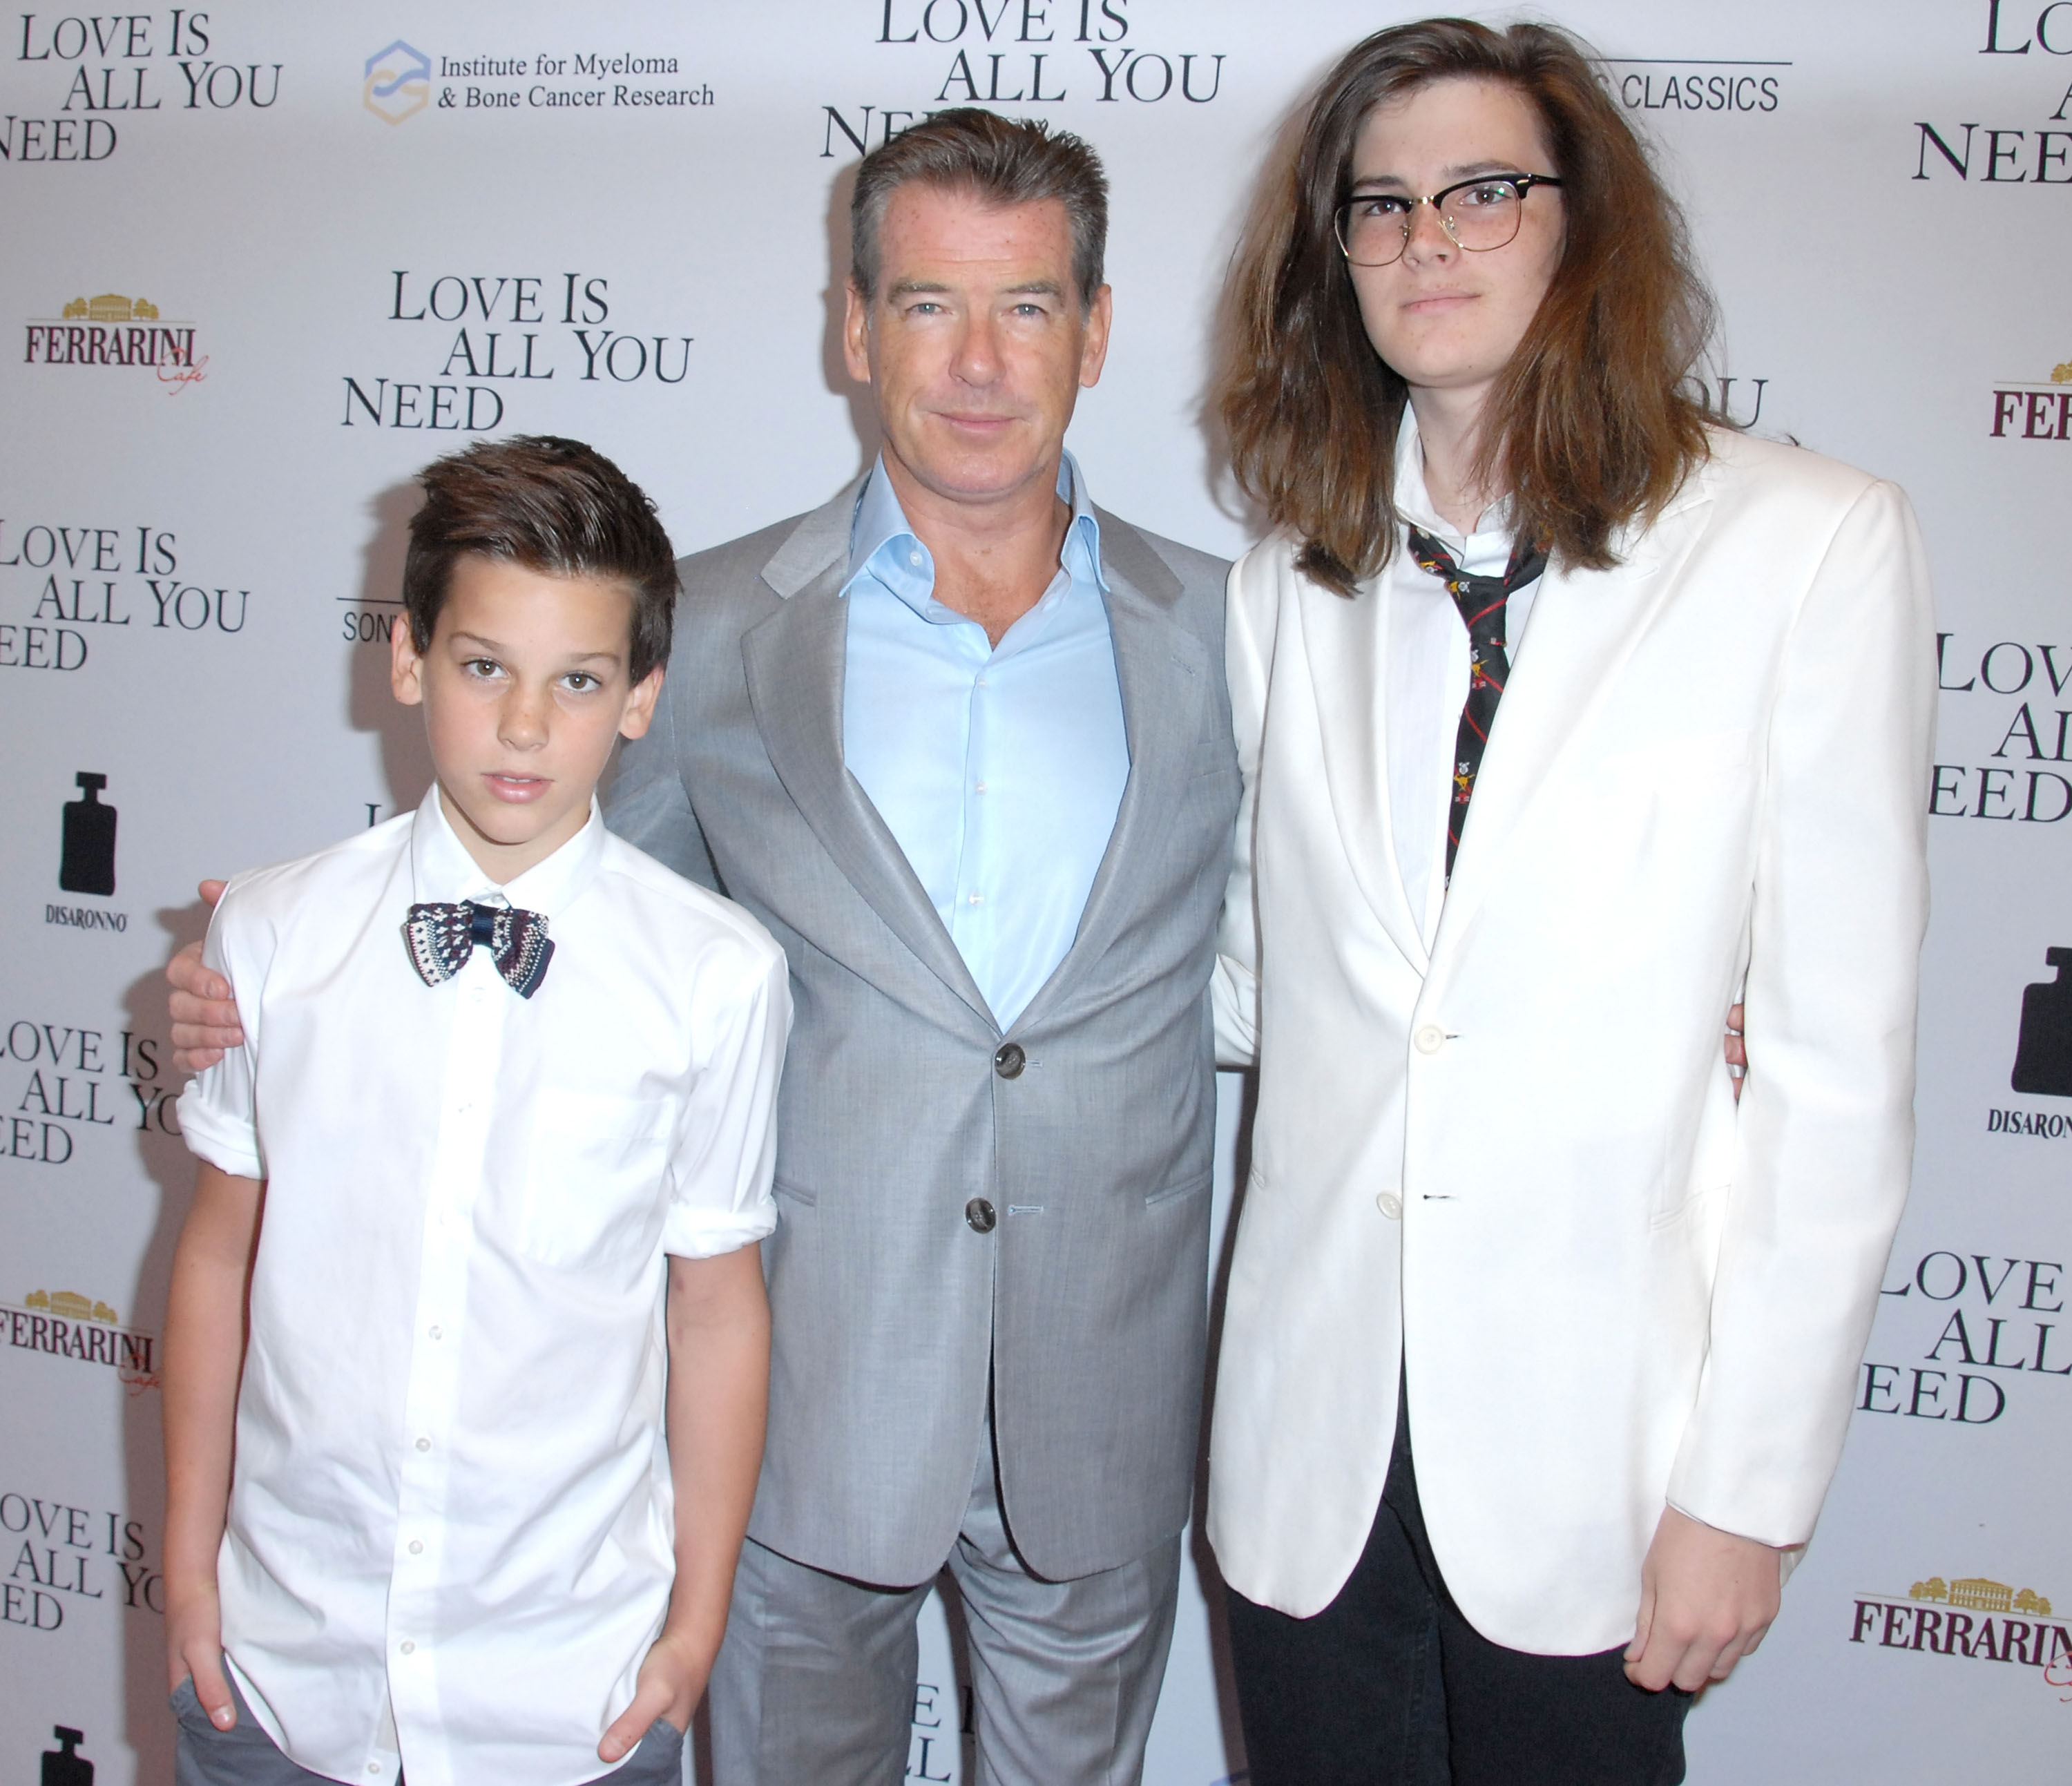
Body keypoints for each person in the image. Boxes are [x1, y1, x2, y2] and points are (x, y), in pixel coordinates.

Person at [169, 111, 1237, 1785]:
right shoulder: (718, 625)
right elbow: (545, 907)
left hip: (1100, 1397)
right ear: (853, 324)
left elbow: (1348, 954)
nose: (976, 361)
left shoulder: (1238, 636)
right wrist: (248, 1002)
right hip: (808, 1397)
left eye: (1026, 306)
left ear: (1096, 330)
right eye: (927, 304)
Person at [1205, 19, 1932, 1786]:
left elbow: (1834, 1080)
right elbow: (1257, 982)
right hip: (1305, 1468)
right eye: (1378, 209)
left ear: (1582, 226)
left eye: (1481, 192)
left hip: (1598, 1475)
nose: (1426, 242)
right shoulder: (1290, 586)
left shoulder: (1804, 548)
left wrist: (1747, 1494)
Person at [161, 436, 790, 1786]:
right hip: (280, 1674)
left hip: (575, 1692)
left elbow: (717, 1306)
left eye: (578, 681)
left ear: (641, 699)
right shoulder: (272, 931)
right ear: (407, 658)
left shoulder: (715, 977)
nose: (523, 727)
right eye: (483, 666)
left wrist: (695, 1627)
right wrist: (186, 1569)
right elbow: (217, 1251)